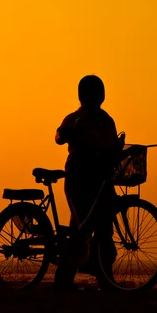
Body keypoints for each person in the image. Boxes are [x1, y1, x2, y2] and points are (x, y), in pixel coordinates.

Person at [53, 75, 125, 289]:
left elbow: (111, 146)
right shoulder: (75, 118)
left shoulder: (105, 120)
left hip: (100, 181)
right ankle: (90, 275)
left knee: (98, 227)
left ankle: (76, 277)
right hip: (79, 180)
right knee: (86, 227)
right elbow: (58, 137)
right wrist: (68, 131)